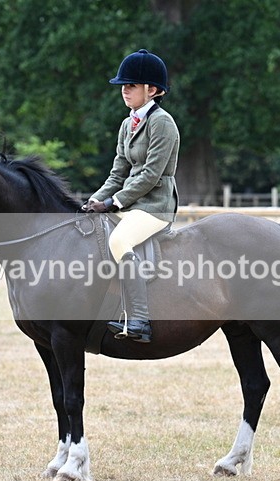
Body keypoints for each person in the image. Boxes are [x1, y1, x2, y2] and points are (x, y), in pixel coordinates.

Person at [82, 49, 180, 344]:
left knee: (118, 240)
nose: (125, 90)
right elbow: (117, 173)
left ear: (153, 90)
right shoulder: (128, 124)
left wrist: (113, 203)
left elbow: (150, 175)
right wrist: (92, 202)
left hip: (155, 205)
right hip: (133, 202)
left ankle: (139, 318)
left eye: (132, 85)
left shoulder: (162, 123)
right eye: (123, 85)